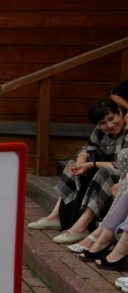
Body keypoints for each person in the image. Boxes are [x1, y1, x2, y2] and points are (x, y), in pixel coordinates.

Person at [27, 99, 126, 244]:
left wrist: (92, 164)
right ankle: (56, 216)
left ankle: (81, 227)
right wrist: (81, 160)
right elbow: (87, 148)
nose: (109, 125)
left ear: (120, 112)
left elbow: (121, 165)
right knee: (74, 165)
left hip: (123, 176)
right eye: (103, 123)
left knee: (104, 172)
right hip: (101, 168)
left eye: (112, 118)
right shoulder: (100, 131)